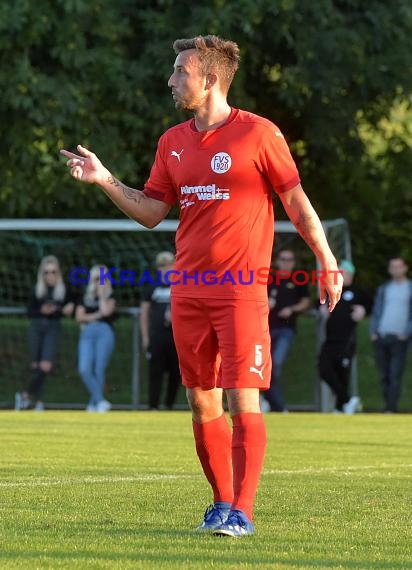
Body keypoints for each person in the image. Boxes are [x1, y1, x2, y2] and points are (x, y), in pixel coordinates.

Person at [61, 34, 342, 537]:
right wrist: (104, 179)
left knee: (242, 398)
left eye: (179, 72)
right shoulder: (171, 141)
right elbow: (150, 212)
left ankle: (244, 512)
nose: (171, 80)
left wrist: (325, 257)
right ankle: (220, 502)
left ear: (209, 79)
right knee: (200, 400)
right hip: (188, 290)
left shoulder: (259, 134)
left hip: (240, 290)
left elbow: (296, 202)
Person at [15, 255, 75, 411]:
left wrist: (69, 308)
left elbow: (74, 303)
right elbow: (30, 311)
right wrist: (41, 310)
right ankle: (38, 402)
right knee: (36, 366)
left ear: (58, 273)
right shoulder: (37, 289)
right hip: (36, 327)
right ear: (42, 273)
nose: (50, 275)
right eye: (47, 272)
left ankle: (24, 395)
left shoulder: (64, 289)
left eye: (53, 272)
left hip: (53, 327)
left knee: (45, 366)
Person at [318, 260, 371, 414]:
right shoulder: (331, 290)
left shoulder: (357, 291)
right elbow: (319, 304)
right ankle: (348, 400)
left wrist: (363, 310)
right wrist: (321, 308)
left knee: (342, 374)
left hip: (346, 340)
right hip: (330, 340)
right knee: (324, 370)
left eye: (342, 273)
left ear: (350, 275)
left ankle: (340, 407)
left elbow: (370, 305)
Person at [263, 249, 310, 412]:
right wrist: (265, 302)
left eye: (289, 260)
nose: (286, 262)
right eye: (283, 259)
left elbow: (305, 302)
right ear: (277, 261)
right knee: (263, 366)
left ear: (294, 262)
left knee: (275, 364)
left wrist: (291, 309)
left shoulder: (299, 279)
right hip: (265, 329)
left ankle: (275, 404)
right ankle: (270, 402)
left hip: (286, 328)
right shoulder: (268, 278)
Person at [370, 256, 412, 413]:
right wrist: (373, 332)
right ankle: (388, 405)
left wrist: (406, 333)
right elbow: (376, 311)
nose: (396, 270)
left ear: (405, 268)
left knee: (395, 374)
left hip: (399, 338)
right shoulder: (384, 289)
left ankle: (391, 408)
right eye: (392, 267)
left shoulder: (409, 288)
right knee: (384, 375)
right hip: (381, 336)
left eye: (398, 266)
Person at [140, 251, 181, 410]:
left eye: (169, 264)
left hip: (177, 337)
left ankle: (169, 405)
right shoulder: (152, 287)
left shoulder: (182, 284)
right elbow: (144, 313)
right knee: (155, 372)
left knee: (175, 373)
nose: (165, 269)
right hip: (157, 336)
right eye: (161, 265)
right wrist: (145, 336)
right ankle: (153, 406)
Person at [76, 265, 116, 412]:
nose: (101, 281)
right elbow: (79, 316)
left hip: (104, 332)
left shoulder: (111, 296)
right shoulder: (85, 297)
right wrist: (96, 316)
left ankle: (94, 404)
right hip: (87, 333)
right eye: (97, 278)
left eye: (104, 278)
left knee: (99, 369)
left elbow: (106, 311)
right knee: (84, 368)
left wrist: (101, 296)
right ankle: (99, 400)